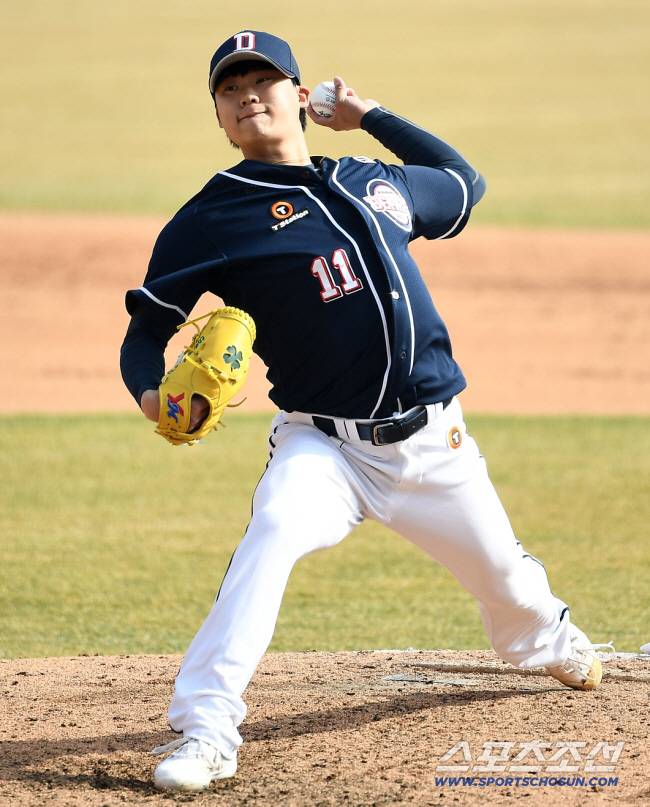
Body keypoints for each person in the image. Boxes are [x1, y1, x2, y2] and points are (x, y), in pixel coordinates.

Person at [120, 30, 603, 793]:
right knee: (272, 531)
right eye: (229, 89)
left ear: (297, 94)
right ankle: (207, 730)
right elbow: (146, 333)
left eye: (264, 80)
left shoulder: (373, 182)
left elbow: (462, 183)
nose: (248, 95)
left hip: (434, 446)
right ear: (218, 116)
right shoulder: (211, 218)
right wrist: (155, 398)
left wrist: (370, 114)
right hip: (324, 449)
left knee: (508, 585)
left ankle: (544, 637)